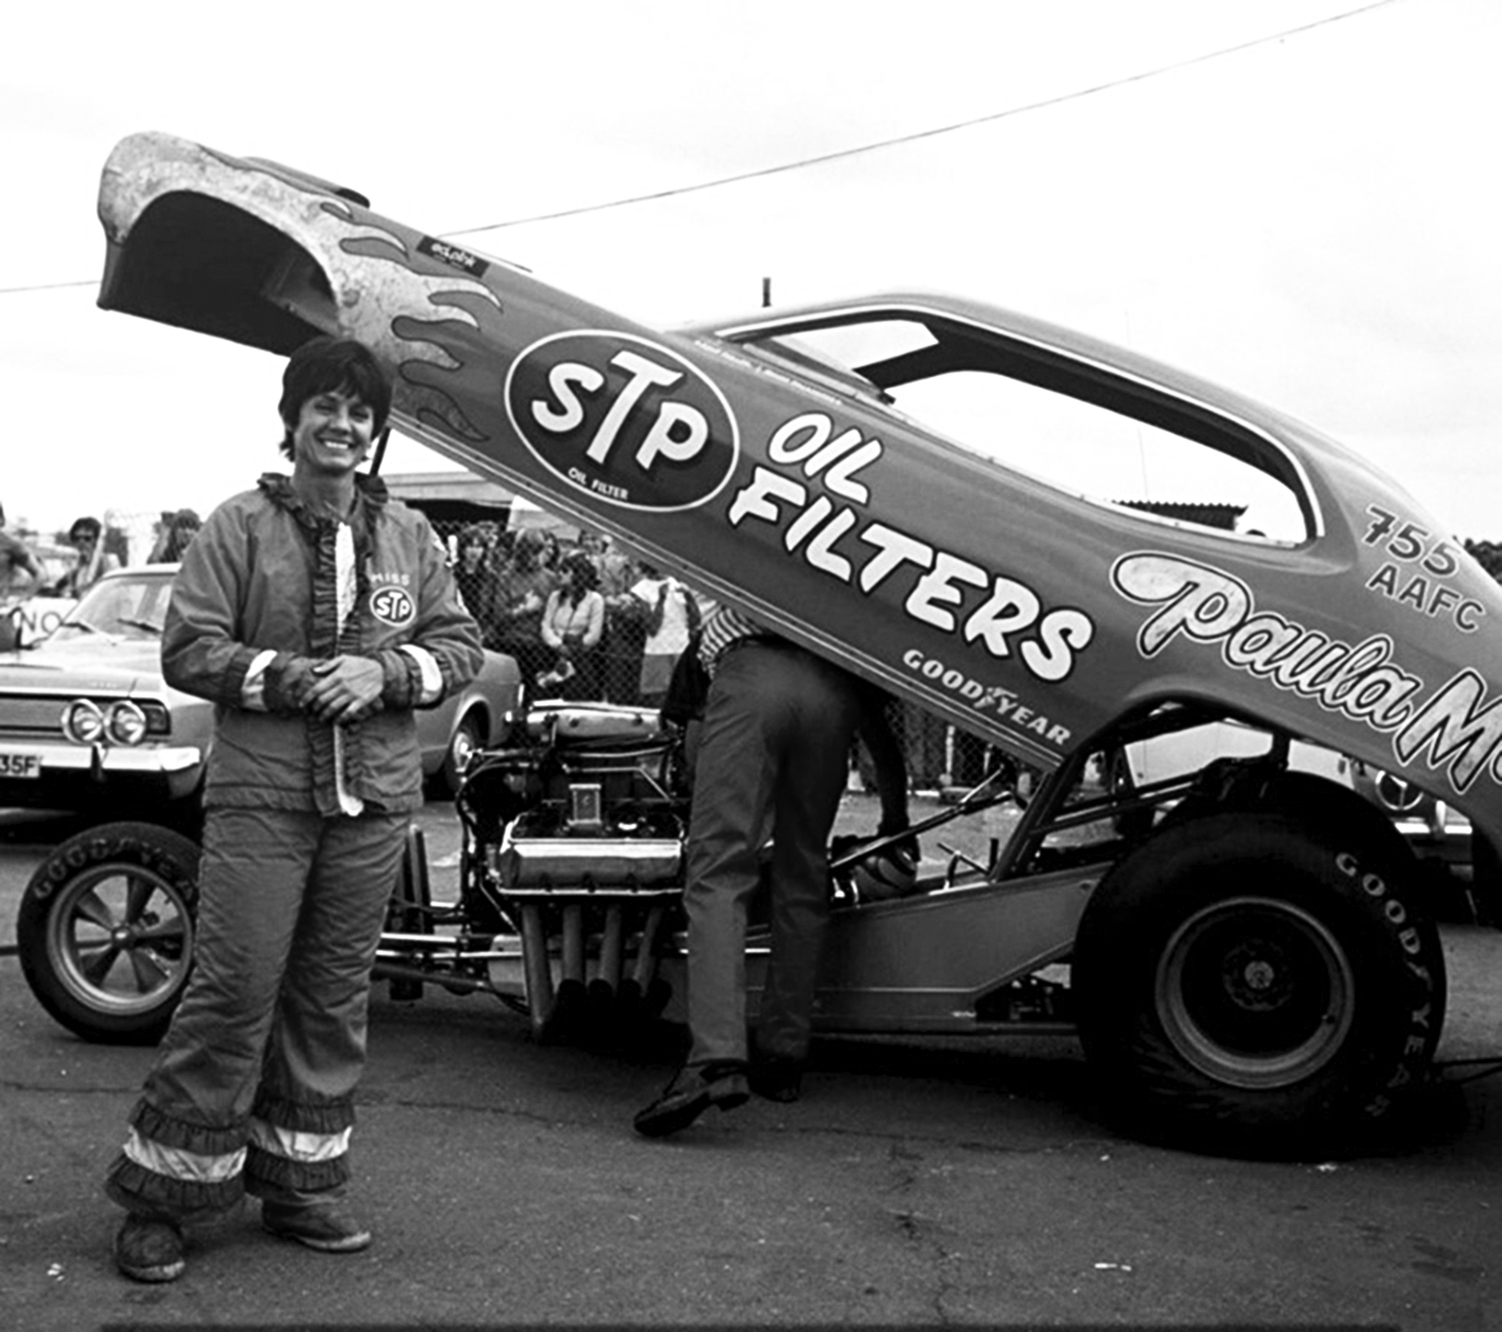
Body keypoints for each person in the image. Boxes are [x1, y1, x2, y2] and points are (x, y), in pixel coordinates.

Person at [103, 336, 484, 1283]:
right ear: (293, 419)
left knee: (328, 1000)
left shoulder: (411, 539)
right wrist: (294, 679)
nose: (343, 427)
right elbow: (189, 650)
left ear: (376, 431)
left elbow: (462, 647)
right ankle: (165, 1197)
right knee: (232, 993)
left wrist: (386, 672)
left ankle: (299, 1186)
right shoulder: (237, 526)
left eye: (360, 413)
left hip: (372, 809)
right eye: (326, 407)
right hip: (261, 802)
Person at [633, 607, 908, 1137]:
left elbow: (694, 743)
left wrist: (712, 804)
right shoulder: (834, 597)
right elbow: (879, 739)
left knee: (718, 873)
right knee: (804, 872)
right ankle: (783, 1059)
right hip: (833, 691)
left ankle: (715, 1059)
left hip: (751, 683)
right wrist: (895, 820)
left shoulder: (719, 623)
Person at [491, 528, 558, 691]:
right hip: (511, 642)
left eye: (538, 552)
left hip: (538, 645)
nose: (535, 558)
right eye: (531, 552)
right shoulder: (507, 577)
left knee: (534, 690)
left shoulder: (550, 578)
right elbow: (499, 616)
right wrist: (525, 609)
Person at [538, 550, 605, 699]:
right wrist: (557, 644)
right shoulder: (555, 597)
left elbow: (594, 635)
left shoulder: (595, 600)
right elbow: (546, 625)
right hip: (553, 650)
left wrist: (576, 647)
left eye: (565, 571)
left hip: (578, 654)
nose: (559, 574)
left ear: (577, 574)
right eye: (559, 570)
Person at [632, 564, 699, 707]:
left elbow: (695, 621)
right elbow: (652, 628)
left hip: (681, 648)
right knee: (657, 698)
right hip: (657, 650)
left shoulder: (677, 585)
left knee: (682, 695)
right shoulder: (641, 589)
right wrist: (661, 600)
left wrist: (689, 598)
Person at [451, 523, 502, 641]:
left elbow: (493, 610)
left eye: (479, 546)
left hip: (479, 629)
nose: (474, 551)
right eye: (470, 546)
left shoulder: (490, 577)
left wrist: (486, 633)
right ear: (462, 548)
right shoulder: (451, 573)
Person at [58, 515, 122, 598]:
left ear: (96, 540)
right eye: (77, 538)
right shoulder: (77, 565)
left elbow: (116, 590)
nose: (81, 542)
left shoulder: (107, 561)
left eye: (87, 538)